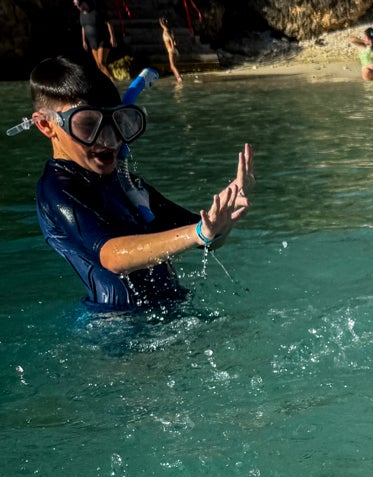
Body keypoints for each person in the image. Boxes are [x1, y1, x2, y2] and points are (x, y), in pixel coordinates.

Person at [20, 55, 254, 313]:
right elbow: (112, 256)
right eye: (88, 125)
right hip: (119, 327)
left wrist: (223, 218)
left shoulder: (125, 183)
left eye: (117, 123)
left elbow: (203, 238)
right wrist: (198, 233)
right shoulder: (56, 188)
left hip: (172, 310)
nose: (109, 140)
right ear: (45, 125)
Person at [76, 0, 114, 82]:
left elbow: (108, 23)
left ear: (83, 4)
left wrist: (112, 37)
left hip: (102, 40)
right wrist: (83, 41)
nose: (78, 8)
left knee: (101, 62)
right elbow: (83, 27)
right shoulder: (81, 15)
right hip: (92, 42)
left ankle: (112, 81)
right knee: (99, 66)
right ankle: (107, 82)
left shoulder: (96, 12)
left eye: (78, 6)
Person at [158, 18, 184, 86]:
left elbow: (171, 40)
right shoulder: (169, 30)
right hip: (174, 50)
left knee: (172, 66)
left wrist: (172, 48)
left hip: (171, 50)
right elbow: (175, 41)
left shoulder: (166, 31)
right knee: (173, 66)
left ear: (161, 24)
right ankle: (178, 77)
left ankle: (179, 78)